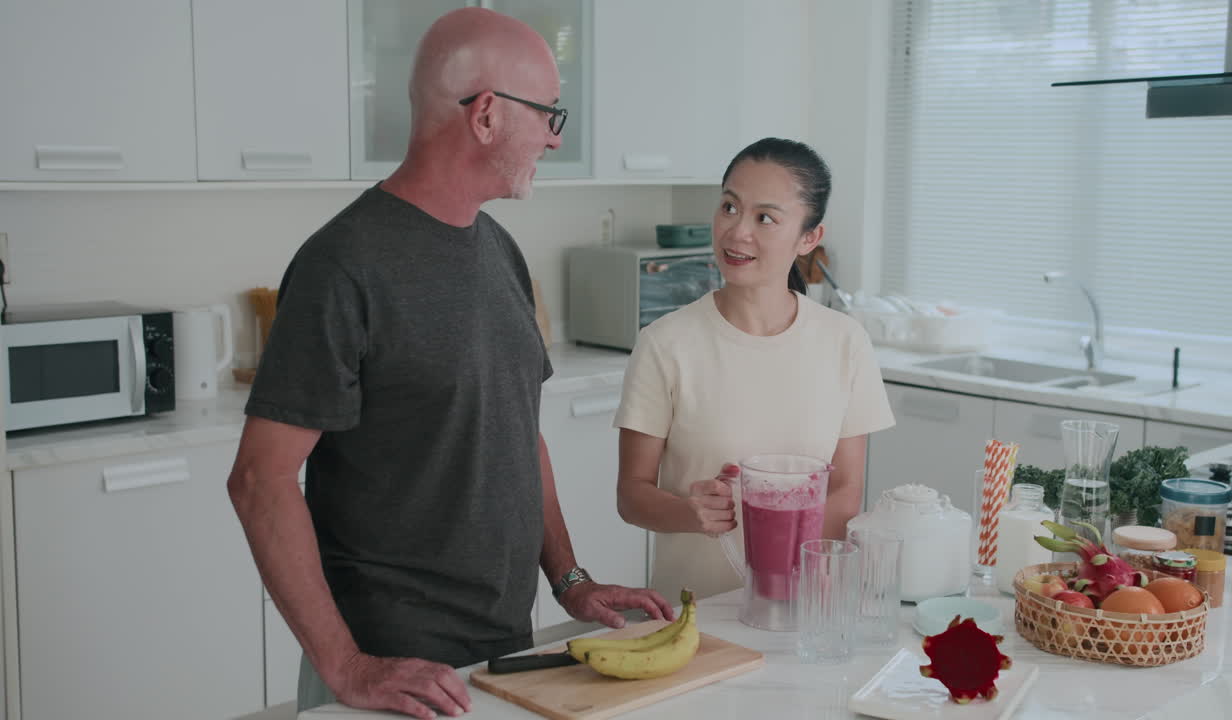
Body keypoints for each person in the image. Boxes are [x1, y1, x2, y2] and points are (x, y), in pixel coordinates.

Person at [226, 8, 671, 719]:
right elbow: (259, 480)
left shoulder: (498, 249)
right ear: (487, 115)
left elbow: (517, 430)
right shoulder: (343, 265)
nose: (557, 138)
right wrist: (345, 666)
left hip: (503, 647)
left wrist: (570, 580)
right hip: (394, 673)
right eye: (549, 114)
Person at [613, 138, 896, 602]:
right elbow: (632, 494)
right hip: (694, 618)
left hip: (805, 607)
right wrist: (691, 511)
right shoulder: (665, 344)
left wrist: (790, 584)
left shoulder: (845, 342)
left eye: (764, 218)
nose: (736, 232)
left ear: (808, 238)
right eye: (729, 207)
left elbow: (846, 488)